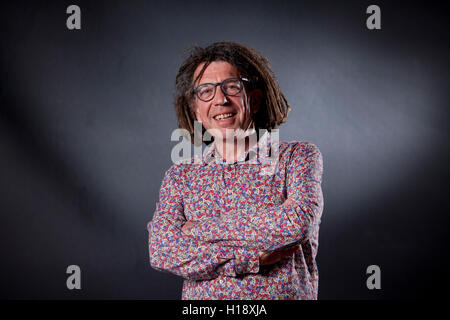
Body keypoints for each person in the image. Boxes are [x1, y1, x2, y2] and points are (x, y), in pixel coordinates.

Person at [147, 42, 324, 300]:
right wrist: (248, 258)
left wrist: (197, 230)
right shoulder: (180, 176)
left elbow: (295, 224)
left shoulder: (297, 157)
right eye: (206, 91)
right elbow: (162, 251)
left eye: (231, 86)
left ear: (254, 99)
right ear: (196, 111)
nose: (220, 99)